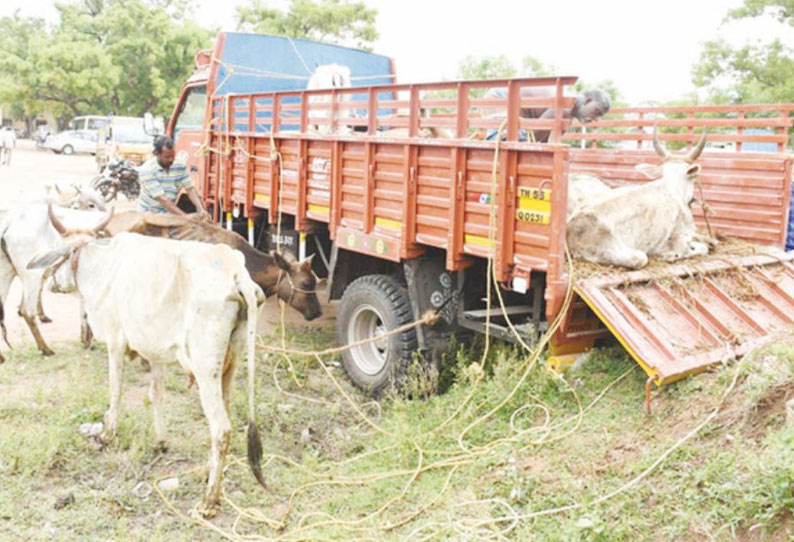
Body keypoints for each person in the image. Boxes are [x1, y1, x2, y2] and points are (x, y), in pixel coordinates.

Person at [483, 86, 611, 143]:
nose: (595, 119)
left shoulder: (568, 113)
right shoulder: (565, 107)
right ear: (587, 101)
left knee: (513, 141)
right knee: (500, 142)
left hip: (516, 110)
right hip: (500, 99)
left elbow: (543, 140)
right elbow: (530, 136)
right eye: (597, 112)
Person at [137, 135, 209, 219]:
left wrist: (201, 209)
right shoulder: (147, 170)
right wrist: (185, 217)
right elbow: (162, 199)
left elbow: (190, 189)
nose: (171, 159)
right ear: (156, 153)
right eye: (167, 157)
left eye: (173, 156)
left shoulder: (180, 165)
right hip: (148, 213)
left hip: (168, 213)